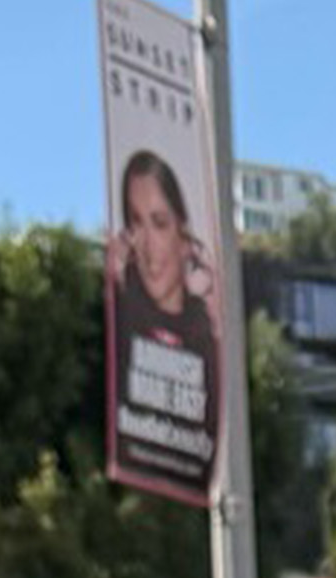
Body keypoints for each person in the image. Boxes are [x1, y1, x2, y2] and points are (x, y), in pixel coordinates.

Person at [107, 149, 218, 485]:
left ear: (184, 237)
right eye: (136, 223)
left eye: (159, 223)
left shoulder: (210, 345)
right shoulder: (119, 328)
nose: (148, 245)